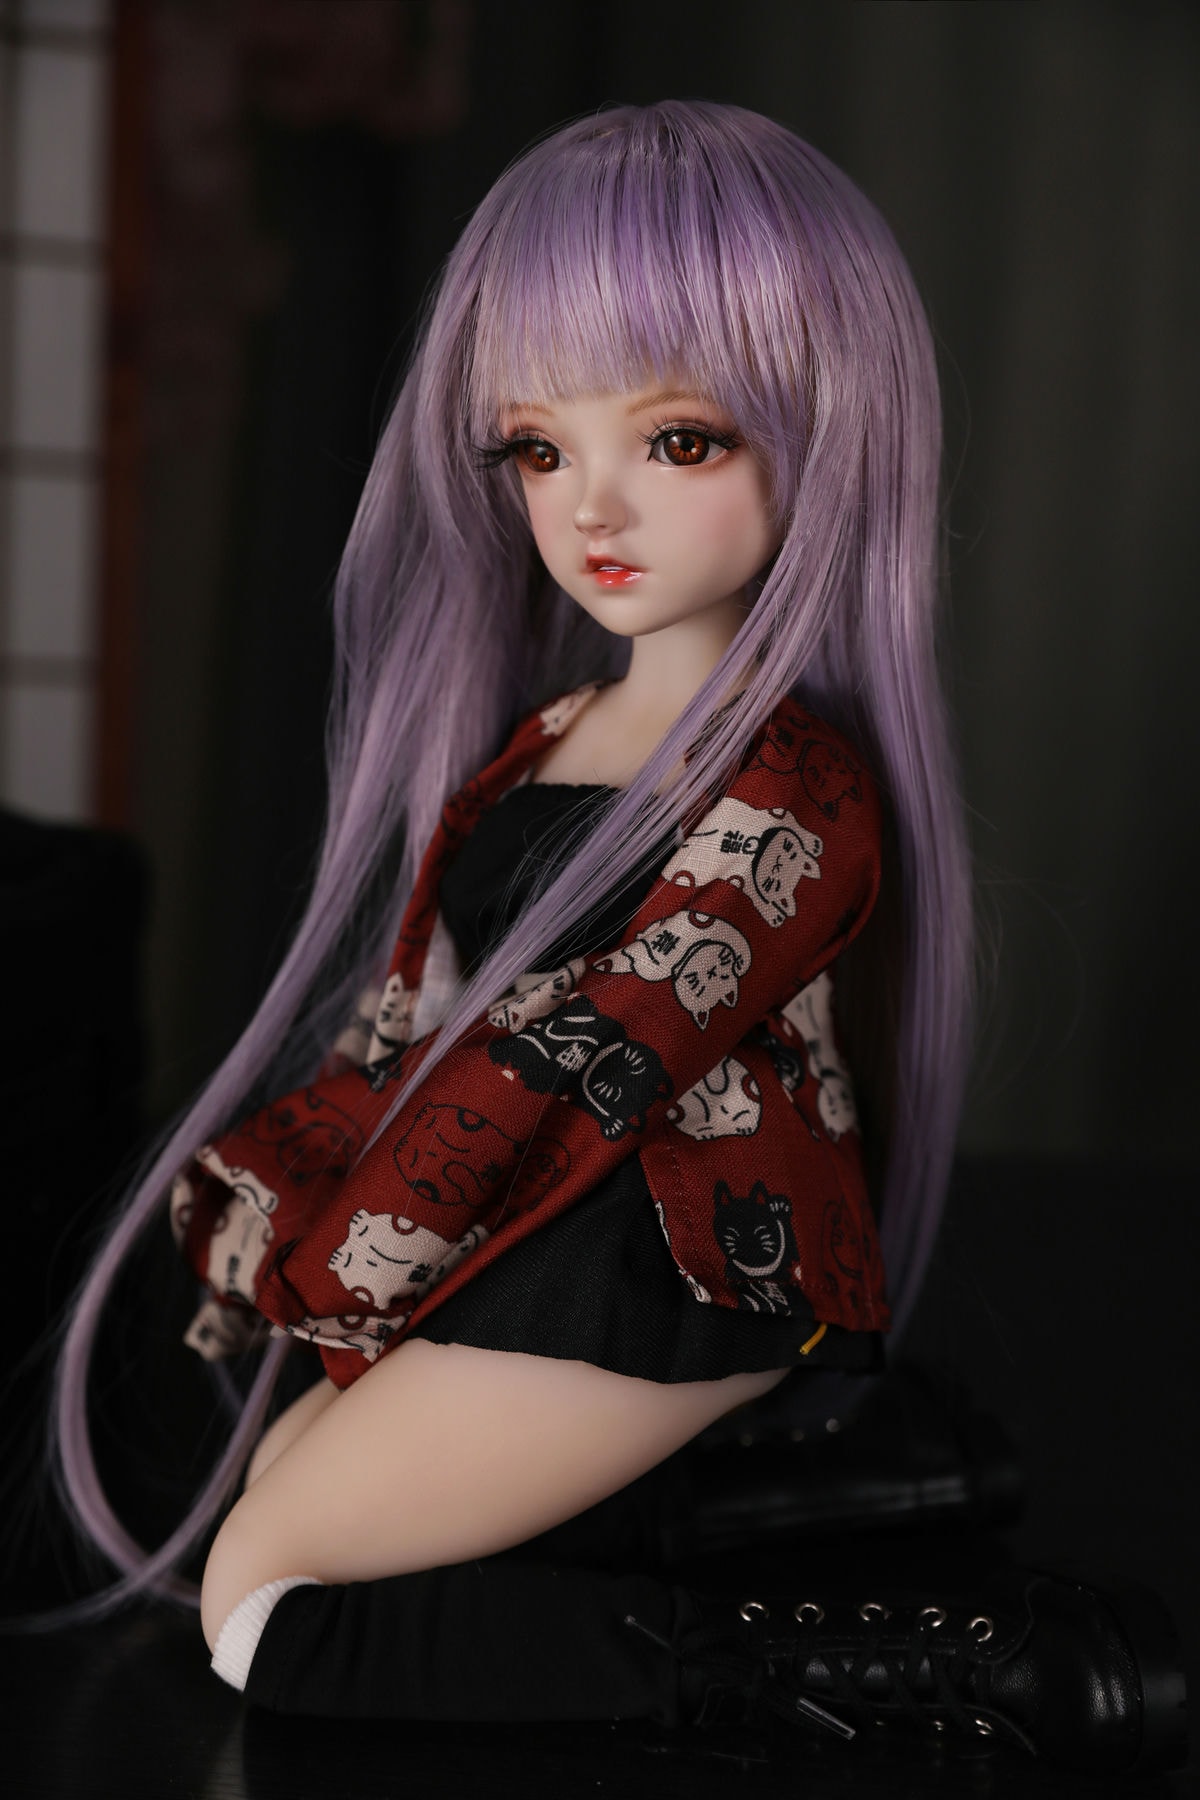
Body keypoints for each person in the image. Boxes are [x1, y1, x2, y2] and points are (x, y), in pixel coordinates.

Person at [49, 101, 1183, 1771]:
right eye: (535, 448)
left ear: (826, 433)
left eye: (679, 441)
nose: (593, 508)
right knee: (287, 1497)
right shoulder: (547, 735)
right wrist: (311, 1170)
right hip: (506, 1242)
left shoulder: (790, 785)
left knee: (262, 1601)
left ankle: (917, 1667)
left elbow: (592, 1051)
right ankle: (832, 1492)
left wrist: (372, 1231)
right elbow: (420, 1009)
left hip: (664, 1267)